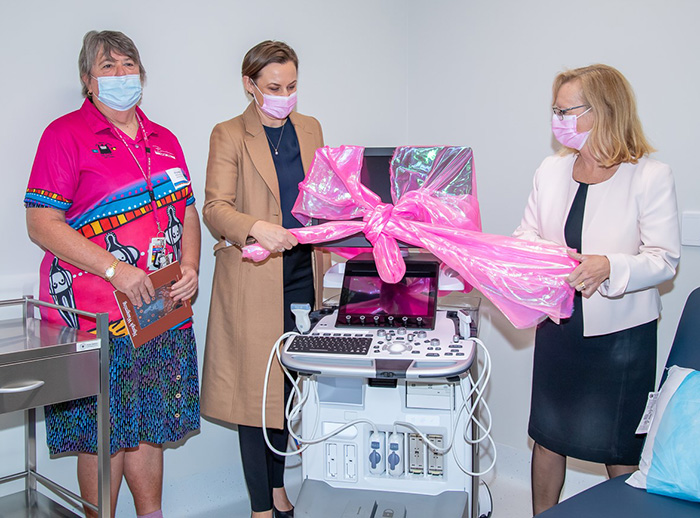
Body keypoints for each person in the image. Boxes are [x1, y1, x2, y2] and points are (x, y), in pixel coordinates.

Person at [24, 30, 201, 518]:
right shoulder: (64, 136)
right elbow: (41, 224)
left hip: (162, 312)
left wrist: (191, 267)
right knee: (103, 432)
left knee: (149, 427)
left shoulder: (164, 139)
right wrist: (114, 269)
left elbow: (187, 211)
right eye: (108, 67)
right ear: (87, 79)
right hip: (96, 319)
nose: (121, 75)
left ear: (141, 74)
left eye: (128, 65)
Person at [513, 64, 681, 515]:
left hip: (621, 339)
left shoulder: (650, 175)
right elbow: (526, 235)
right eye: (555, 110)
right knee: (548, 438)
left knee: (619, 448)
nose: (558, 119)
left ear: (605, 111)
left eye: (567, 110)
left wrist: (610, 266)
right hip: (559, 325)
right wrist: (529, 258)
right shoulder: (551, 170)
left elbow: (664, 259)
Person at [200, 40, 325, 518]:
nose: (285, 95)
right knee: (258, 395)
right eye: (274, 87)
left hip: (302, 276)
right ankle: (260, 508)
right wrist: (255, 226)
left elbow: (323, 194)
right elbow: (215, 208)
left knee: (288, 390)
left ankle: (277, 490)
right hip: (254, 279)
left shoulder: (310, 128)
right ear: (250, 85)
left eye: (292, 86)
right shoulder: (229, 134)